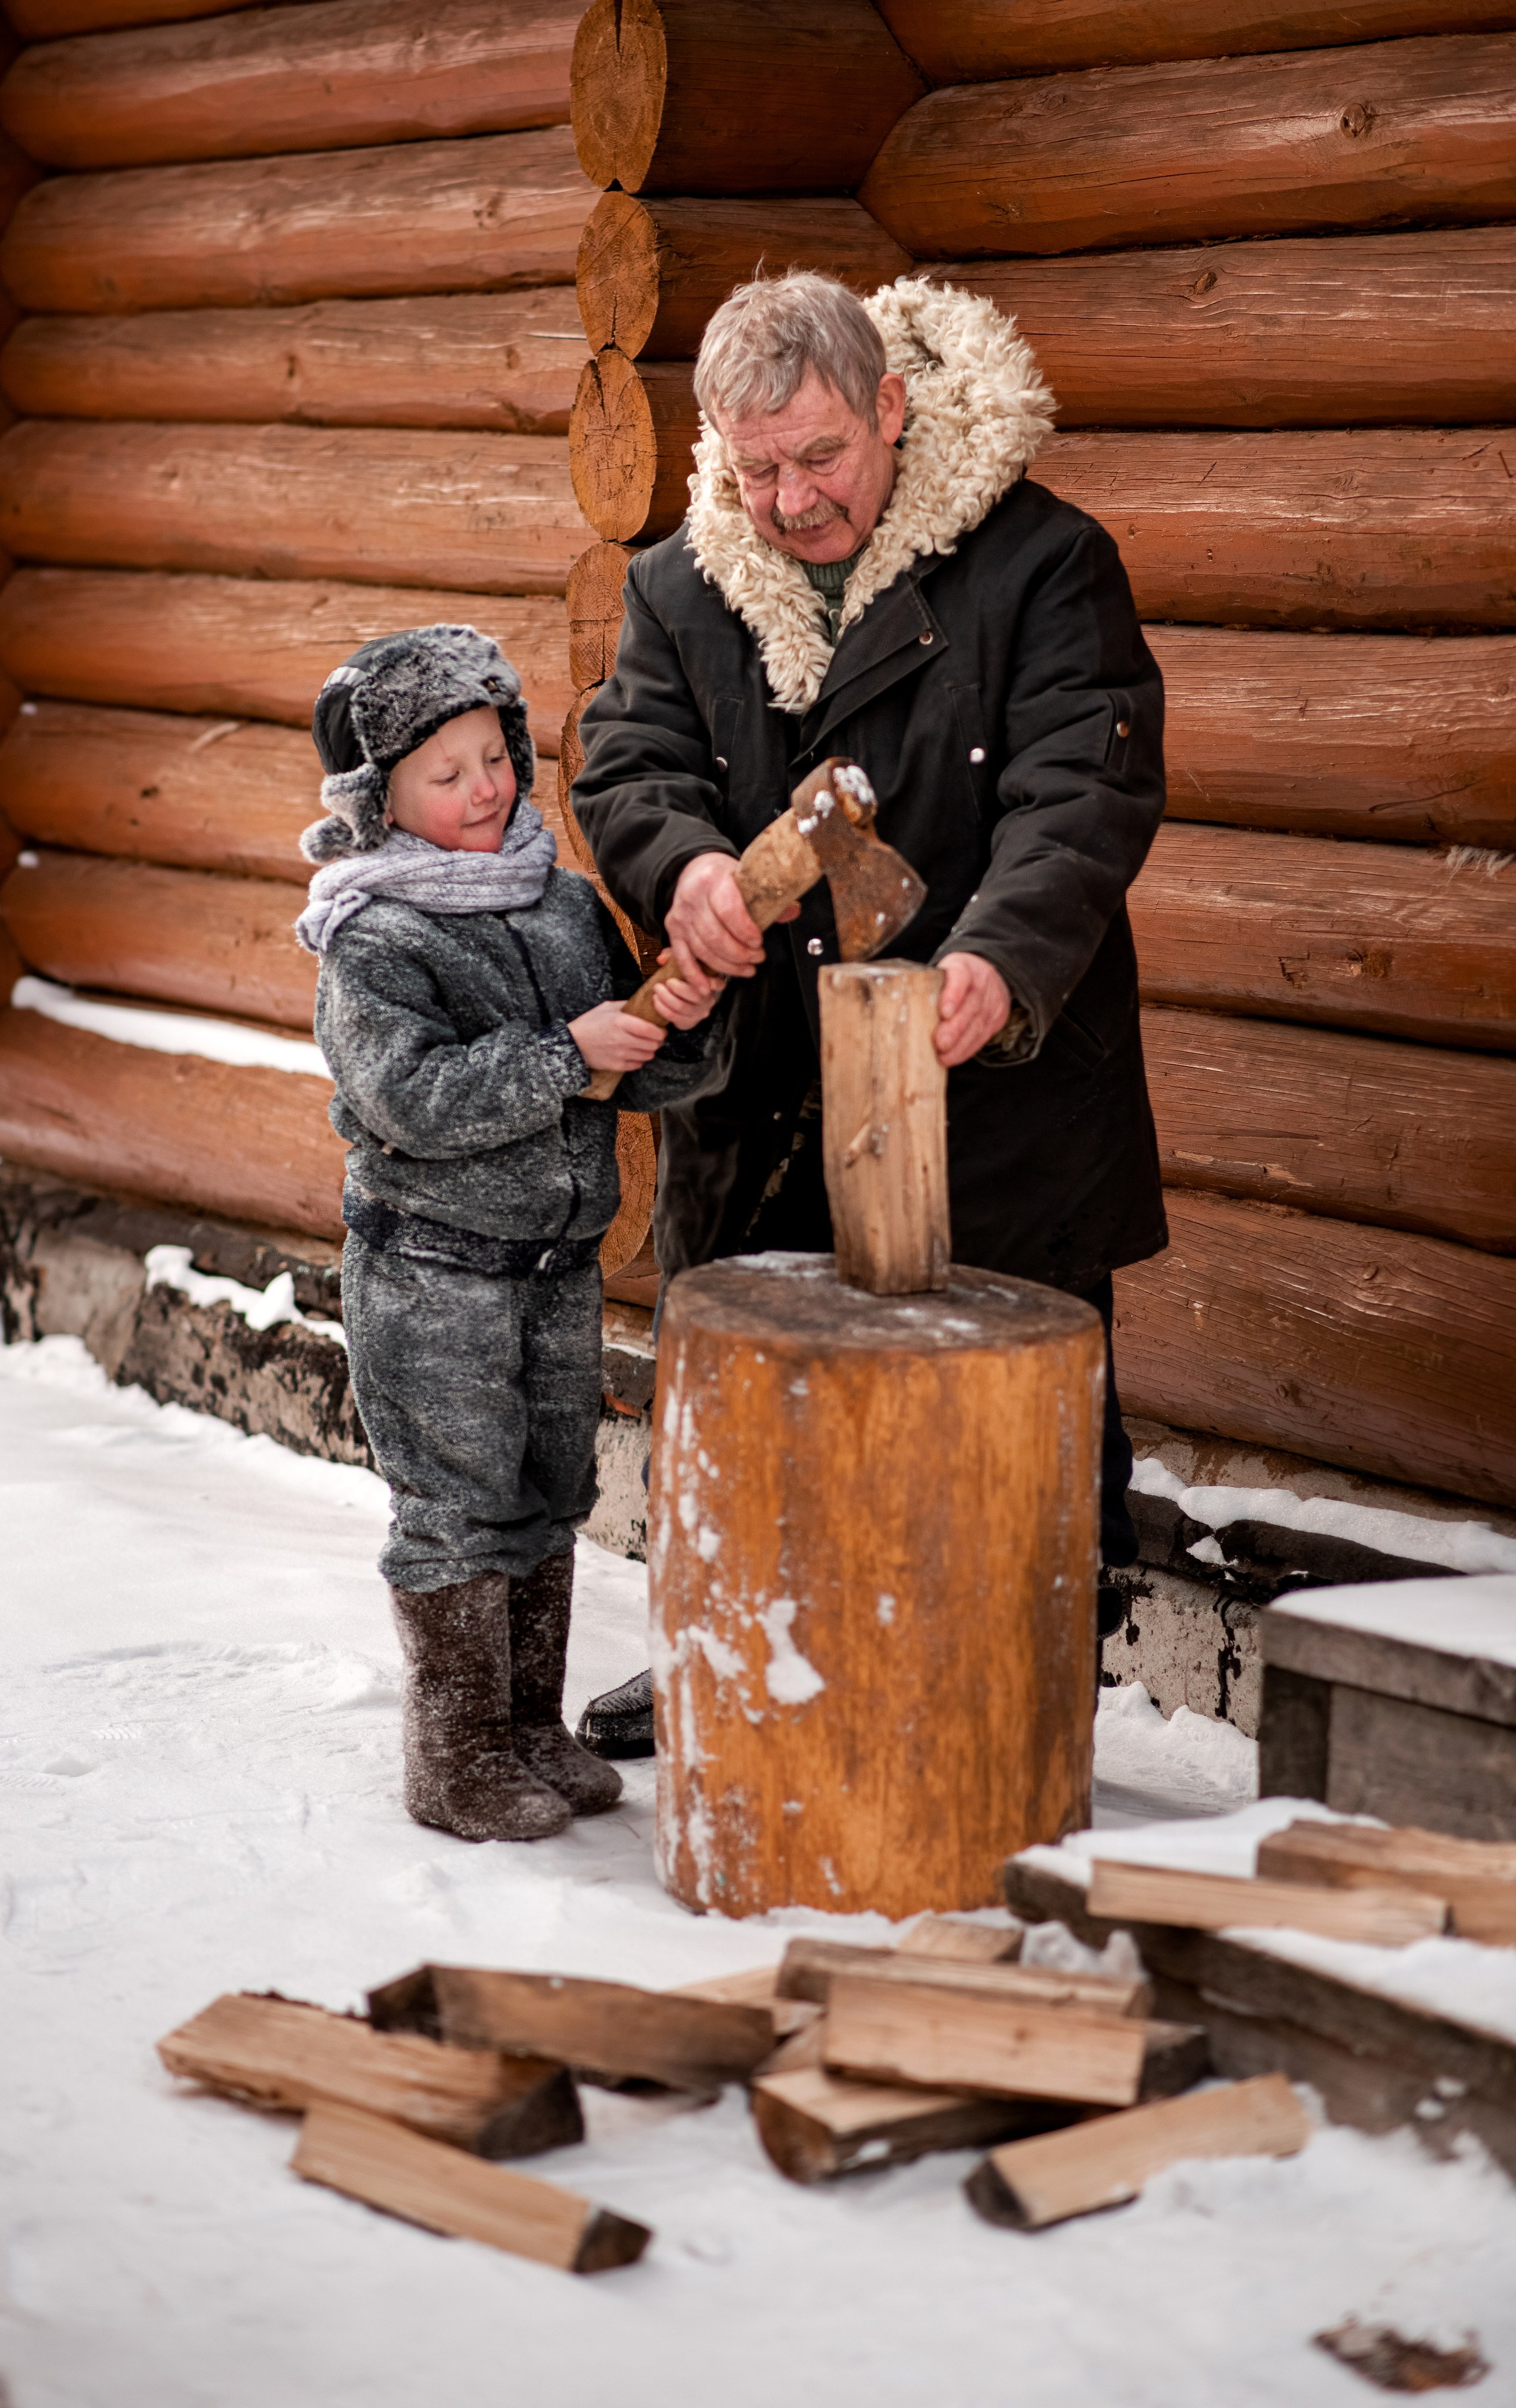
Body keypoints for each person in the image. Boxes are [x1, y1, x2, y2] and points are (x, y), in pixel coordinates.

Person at [570, 272, 1169, 1760]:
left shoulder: (1041, 563)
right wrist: (686, 863)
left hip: (993, 1078)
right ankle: (727, 1644)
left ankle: (1013, 1684)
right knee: (753, 1386)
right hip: (763, 1074)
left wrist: (1001, 960)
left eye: (819, 456)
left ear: (891, 408)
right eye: (754, 466)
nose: (785, 500)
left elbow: (1077, 789)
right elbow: (627, 762)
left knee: (995, 1402)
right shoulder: (673, 585)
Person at [295, 625, 724, 1840]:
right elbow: (412, 1102)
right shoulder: (372, 939)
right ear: (382, 804)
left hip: (554, 1272)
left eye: (496, 757)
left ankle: (527, 1727)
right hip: (431, 1278)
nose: (485, 788)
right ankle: (455, 1754)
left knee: (547, 1489)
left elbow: (614, 1064)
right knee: (456, 1503)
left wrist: (667, 1020)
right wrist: (563, 1057)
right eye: (447, 773)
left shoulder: (559, 904)